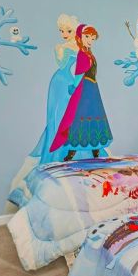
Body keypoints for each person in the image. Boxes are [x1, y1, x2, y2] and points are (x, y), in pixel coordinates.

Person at [50, 24, 113, 160]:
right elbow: (79, 74)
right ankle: (73, 152)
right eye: (87, 37)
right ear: (80, 37)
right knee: (80, 116)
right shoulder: (83, 54)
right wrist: (74, 86)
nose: (90, 40)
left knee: (91, 115)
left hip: (92, 89)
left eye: (92, 38)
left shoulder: (88, 53)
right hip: (85, 89)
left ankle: (95, 150)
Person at [30, 14, 79, 164]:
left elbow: (64, 65)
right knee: (55, 115)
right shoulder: (70, 46)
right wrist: (60, 49)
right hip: (58, 81)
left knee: (65, 114)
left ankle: (65, 150)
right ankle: (54, 151)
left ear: (74, 30)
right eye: (61, 31)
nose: (64, 34)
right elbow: (62, 65)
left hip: (66, 80)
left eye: (68, 31)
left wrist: (60, 49)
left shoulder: (73, 47)